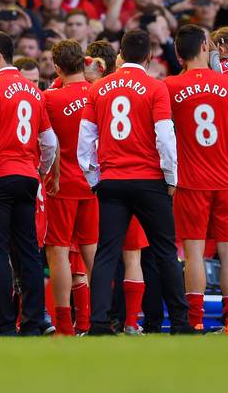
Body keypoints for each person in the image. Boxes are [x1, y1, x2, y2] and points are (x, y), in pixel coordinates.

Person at [77, 28, 192, 335]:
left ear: (120, 55)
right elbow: (165, 137)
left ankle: (98, 323)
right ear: (149, 56)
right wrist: (171, 177)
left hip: (112, 180)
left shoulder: (98, 89)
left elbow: (85, 139)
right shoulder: (156, 88)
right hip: (149, 181)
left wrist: (94, 178)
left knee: (106, 253)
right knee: (165, 252)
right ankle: (180, 323)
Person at [164, 24, 228, 334]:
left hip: (190, 179)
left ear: (178, 54)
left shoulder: (171, 87)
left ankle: (196, 319)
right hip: (227, 177)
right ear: (206, 47)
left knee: (192, 253)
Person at [0, 31, 57, 336]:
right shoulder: (34, 92)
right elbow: (49, 141)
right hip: (26, 177)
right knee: (29, 253)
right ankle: (33, 322)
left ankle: (4, 324)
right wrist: (41, 170)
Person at [41, 39, 96, 336]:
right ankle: (94, 320)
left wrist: (54, 175)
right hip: (96, 183)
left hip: (61, 184)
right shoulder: (99, 92)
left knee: (59, 253)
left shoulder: (49, 99)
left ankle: (64, 324)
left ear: (56, 66)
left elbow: (49, 143)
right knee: (92, 255)